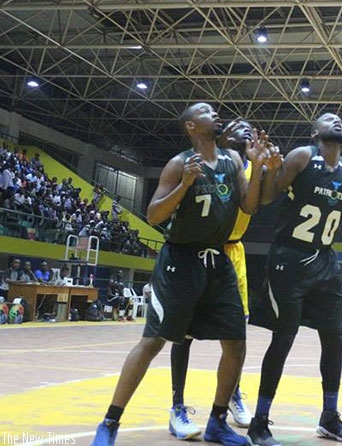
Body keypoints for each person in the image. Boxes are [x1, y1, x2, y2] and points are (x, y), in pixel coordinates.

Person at [91, 102, 276, 446]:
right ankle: (110, 422)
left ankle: (217, 421)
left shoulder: (232, 160)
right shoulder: (179, 164)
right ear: (191, 126)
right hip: (180, 261)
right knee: (152, 342)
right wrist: (184, 185)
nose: (215, 114)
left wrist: (256, 165)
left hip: (218, 263)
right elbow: (153, 215)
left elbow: (249, 206)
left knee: (236, 343)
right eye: (206, 112)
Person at [248, 112, 342, 446]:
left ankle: (329, 417)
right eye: (328, 119)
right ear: (315, 131)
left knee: (334, 338)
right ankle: (259, 421)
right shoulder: (302, 157)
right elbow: (265, 197)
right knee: (284, 337)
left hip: (325, 260)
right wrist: (271, 169)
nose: (337, 121)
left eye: (340, 119)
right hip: (289, 258)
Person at [167, 120, 262, 439]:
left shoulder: (249, 167)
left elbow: (259, 202)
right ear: (221, 136)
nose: (246, 130)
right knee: (184, 334)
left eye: (251, 128)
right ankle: (177, 406)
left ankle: (231, 394)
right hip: (196, 251)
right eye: (239, 126)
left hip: (232, 255)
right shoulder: (204, 163)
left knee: (236, 335)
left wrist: (266, 166)